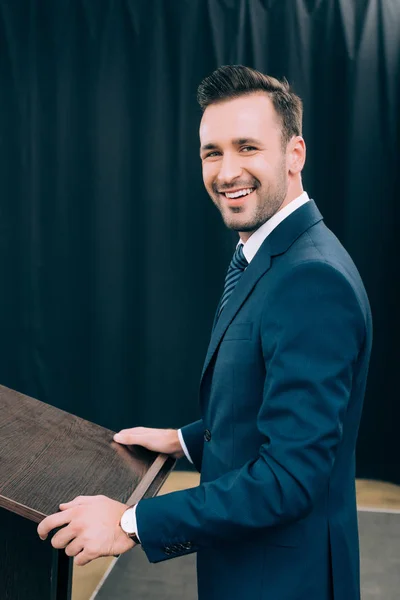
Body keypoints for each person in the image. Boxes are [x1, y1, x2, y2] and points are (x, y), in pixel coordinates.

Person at [38, 65, 372, 600]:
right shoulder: (266, 251)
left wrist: (130, 524)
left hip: (284, 581)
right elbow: (270, 401)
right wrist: (185, 440)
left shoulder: (312, 278)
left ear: (295, 154)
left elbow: (289, 478)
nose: (226, 170)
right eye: (212, 152)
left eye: (247, 147)